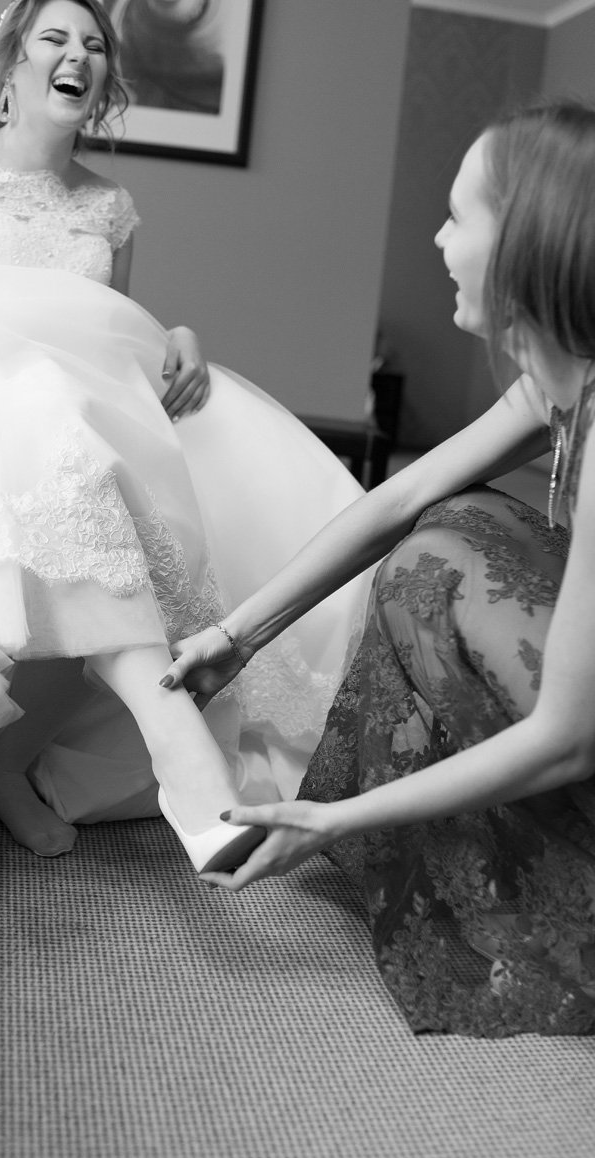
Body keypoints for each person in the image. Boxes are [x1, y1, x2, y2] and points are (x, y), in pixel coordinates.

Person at [0, 0, 370, 1063]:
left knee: (94, 455)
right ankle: (176, 747)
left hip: (55, 425)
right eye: (55, 37)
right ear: (11, 61)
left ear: (103, 82)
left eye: (95, 44)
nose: (78, 54)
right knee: (51, 441)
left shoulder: (110, 209)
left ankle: (17, 763)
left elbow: (102, 351)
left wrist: (175, 337)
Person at [166, 99, 595, 1038]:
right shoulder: (562, 381)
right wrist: (238, 635)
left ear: (524, 243)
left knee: (441, 555)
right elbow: (397, 499)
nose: (437, 239)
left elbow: (572, 736)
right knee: (442, 529)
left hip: (582, 730)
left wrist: (337, 820)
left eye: (457, 215)